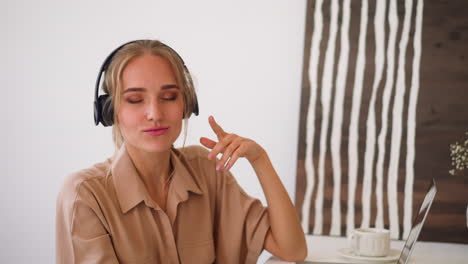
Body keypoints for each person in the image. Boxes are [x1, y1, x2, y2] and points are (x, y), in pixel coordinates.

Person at [56, 39, 307, 264]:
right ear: (110, 112)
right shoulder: (85, 195)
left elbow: (293, 250)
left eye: (169, 96)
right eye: (135, 100)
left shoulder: (206, 169)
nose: (155, 113)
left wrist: (259, 159)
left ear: (186, 105)